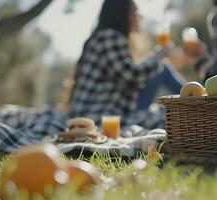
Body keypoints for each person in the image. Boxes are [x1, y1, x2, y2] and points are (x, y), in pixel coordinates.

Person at [69, 0, 183, 128]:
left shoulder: (104, 36)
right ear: (122, 14)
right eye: (135, 11)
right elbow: (131, 75)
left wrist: (157, 58)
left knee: (161, 68)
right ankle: (196, 100)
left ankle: (193, 97)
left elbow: (127, 74)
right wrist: (158, 57)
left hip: (92, 111)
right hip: (100, 114)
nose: (138, 16)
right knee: (162, 70)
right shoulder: (110, 36)